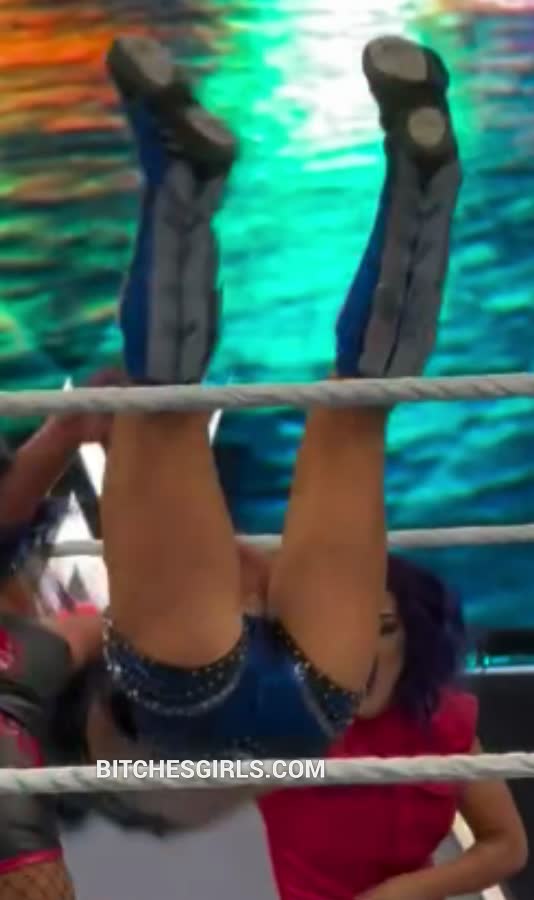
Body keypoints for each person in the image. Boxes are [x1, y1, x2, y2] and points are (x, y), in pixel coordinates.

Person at [0, 30, 517, 900]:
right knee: (167, 402)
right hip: (186, 701)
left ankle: (419, 186)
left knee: (358, 411)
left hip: (301, 709)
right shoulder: (45, 660)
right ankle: (179, 176)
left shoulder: (47, 677)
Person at [259, 554, 528, 899]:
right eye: (339, 630)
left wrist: (402, 892)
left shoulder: (440, 719)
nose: (363, 651)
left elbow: (507, 844)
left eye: (384, 628)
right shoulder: (279, 720)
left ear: (413, 639)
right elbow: (199, 774)